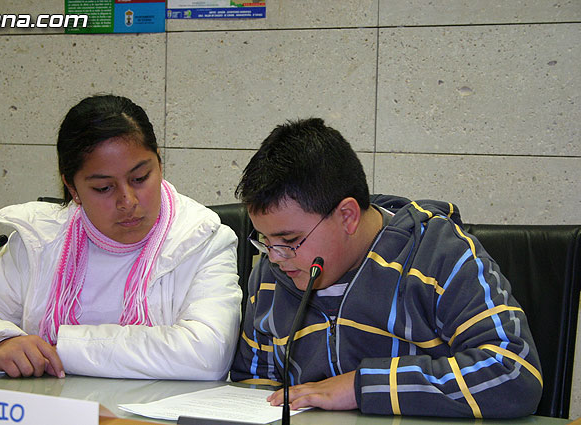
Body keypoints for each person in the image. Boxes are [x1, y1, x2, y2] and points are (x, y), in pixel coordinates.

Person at [229, 118, 542, 418]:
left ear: (348, 216)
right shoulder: (273, 274)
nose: (275, 256)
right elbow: (254, 383)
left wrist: (361, 387)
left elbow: (514, 372)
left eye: (290, 239)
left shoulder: (439, 255)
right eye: (264, 240)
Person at [0, 95, 242, 380]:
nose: (128, 201)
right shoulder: (39, 239)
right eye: (103, 188)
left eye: (140, 179)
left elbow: (208, 352)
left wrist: (64, 347)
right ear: (72, 188)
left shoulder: (204, 239)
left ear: (159, 164)